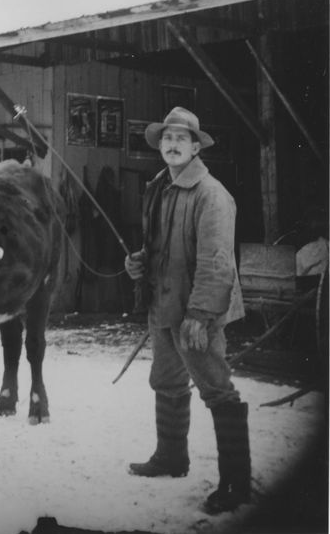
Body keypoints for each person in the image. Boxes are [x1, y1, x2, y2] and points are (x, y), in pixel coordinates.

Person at [124, 107, 249, 515]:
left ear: (196, 147)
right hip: (163, 305)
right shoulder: (161, 187)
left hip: (196, 313)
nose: (172, 145)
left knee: (216, 388)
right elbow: (165, 244)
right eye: (167, 138)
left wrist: (200, 314)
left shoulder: (211, 195)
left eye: (181, 138)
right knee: (166, 381)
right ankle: (171, 457)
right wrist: (140, 260)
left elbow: (216, 262)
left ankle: (236, 482)